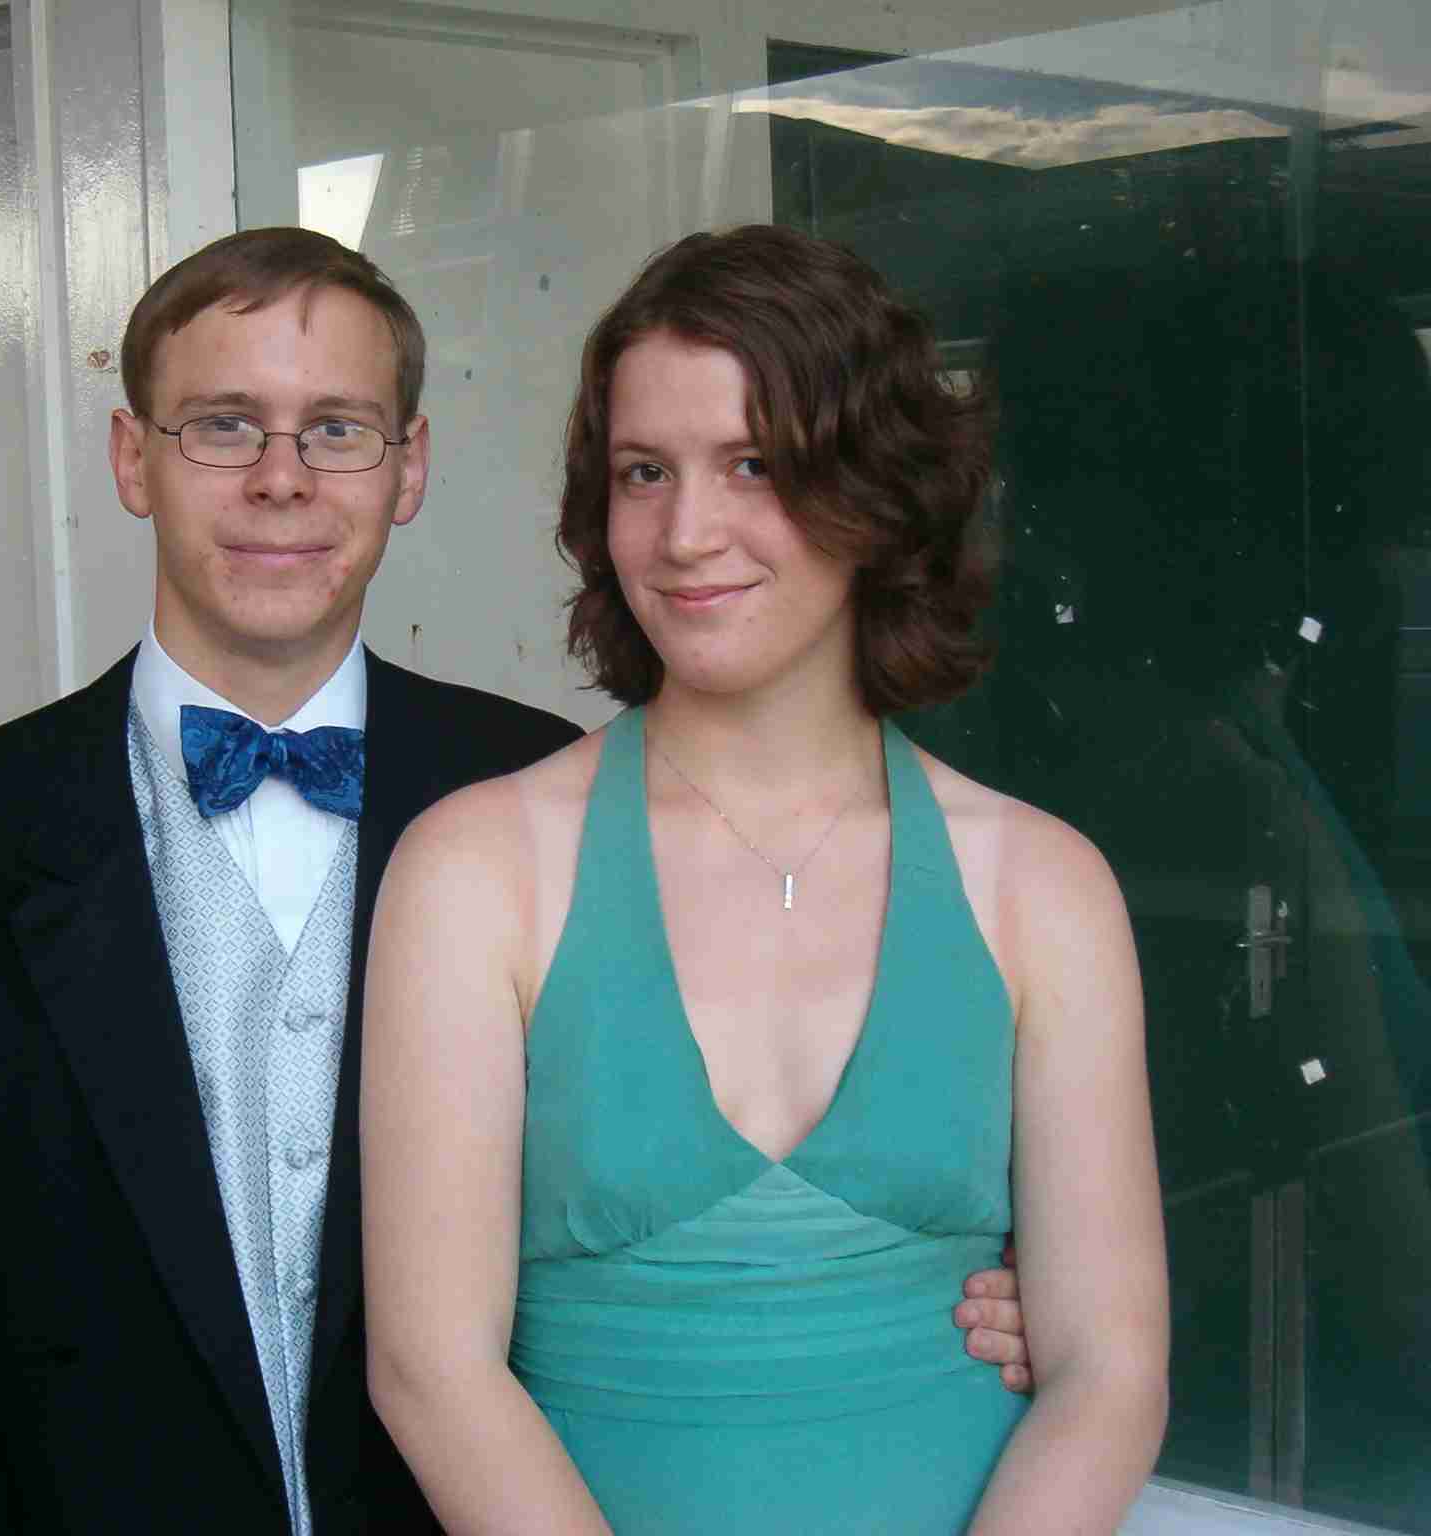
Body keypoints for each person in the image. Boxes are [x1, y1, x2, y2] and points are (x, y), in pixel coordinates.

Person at [0, 227, 1031, 1535]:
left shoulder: (545, 794)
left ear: (409, 468)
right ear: (132, 458)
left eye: (337, 430)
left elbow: (708, 1155)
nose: (281, 479)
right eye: (224, 426)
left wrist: (965, 1280)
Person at [362, 225, 1166, 1534]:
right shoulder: (474, 870)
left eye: (753, 464)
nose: (687, 533)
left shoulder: (1042, 884)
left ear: (876, 491)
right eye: (645, 471)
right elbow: (428, 1372)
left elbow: (1109, 1374)